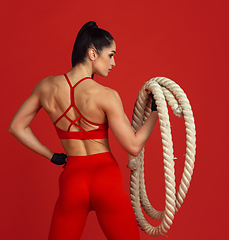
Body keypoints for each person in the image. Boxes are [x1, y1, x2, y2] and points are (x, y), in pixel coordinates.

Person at [9, 21, 158, 240]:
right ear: (92, 54)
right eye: (111, 55)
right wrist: (155, 113)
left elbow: (16, 127)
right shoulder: (106, 95)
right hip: (105, 178)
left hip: (72, 181)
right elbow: (134, 146)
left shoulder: (46, 87)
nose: (114, 62)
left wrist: (52, 156)